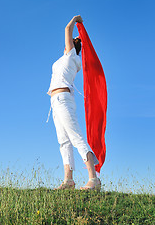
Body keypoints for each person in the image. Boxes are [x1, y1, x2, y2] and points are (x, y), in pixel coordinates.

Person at [47, 15, 101, 190]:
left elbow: (67, 29)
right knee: (64, 141)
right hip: (55, 100)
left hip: (63, 99)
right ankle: (68, 180)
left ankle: (93, 179)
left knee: (76, 137)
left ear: (71, 46)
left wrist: (75, 20)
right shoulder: (67, 59)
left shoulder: (71, 56)